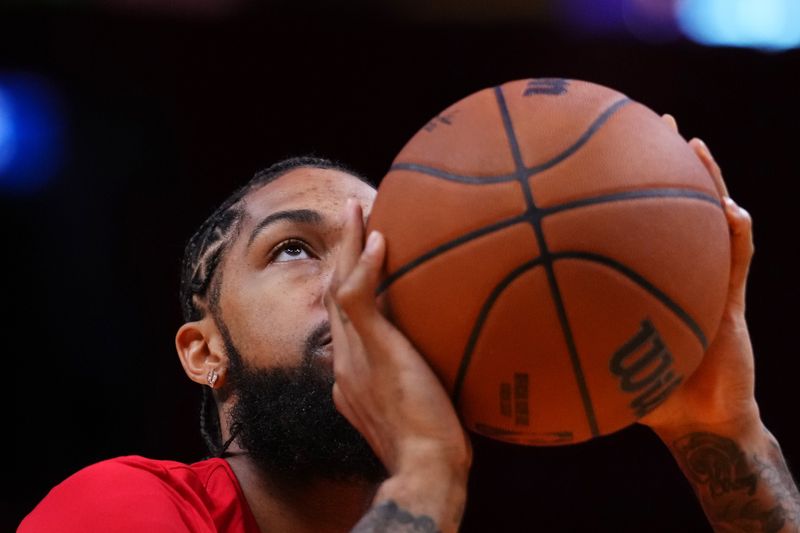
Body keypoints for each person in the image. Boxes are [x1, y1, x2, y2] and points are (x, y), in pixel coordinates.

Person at [19, 119, 800, 532]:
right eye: (293, 248)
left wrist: (727, 435)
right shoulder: (117, 505)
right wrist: (425, 467)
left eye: (386, 253)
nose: (360, 281)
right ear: (204, 349)